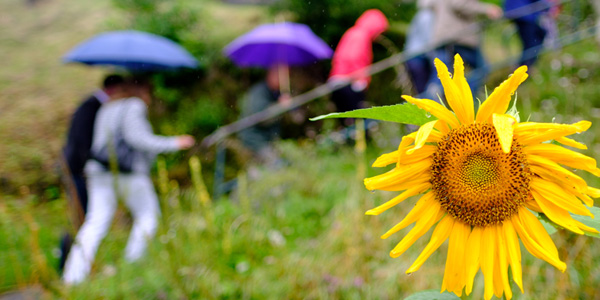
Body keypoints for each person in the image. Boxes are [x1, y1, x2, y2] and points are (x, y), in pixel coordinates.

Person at [62, 77, 195, 284]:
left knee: (95, 222)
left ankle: (73, 276)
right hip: (127, 173)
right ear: (142, 90)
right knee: (148, 216)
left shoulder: (108, 106)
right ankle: (131, 266)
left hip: (98, 171)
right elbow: (138, 139)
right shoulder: (134, 105)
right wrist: (175, 143)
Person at [59, 74, 127, 271]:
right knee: (81, 217)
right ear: (113, 89)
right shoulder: (91, 107)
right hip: (78, 170)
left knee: (85, 217)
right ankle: (68, 266)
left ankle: (78, 265)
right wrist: (90, 167)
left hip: (81, 169)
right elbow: (81, 143)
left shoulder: (94, 105)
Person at [425, 0, 503, 101]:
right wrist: (487, 9)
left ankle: (426, 110)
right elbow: (458, 3)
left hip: (442, 36)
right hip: (459, 36)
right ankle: (464, 101)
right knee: (482, 68)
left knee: (441, 76)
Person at [328, 9, 389, 124]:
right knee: (359, 120)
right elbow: (355, 57)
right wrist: (361, 80)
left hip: (337, 80)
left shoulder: (352, 32)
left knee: (346, 120)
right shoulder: (361, 36)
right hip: (348, 82)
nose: (379, 36)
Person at [238, 65, 291, 164]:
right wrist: (280, 107)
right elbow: (261, 118)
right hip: (255, 140)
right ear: (271, 75)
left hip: (269, 140)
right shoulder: (258, 93)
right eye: (281, 76)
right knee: (276, 165)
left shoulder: (276, 93)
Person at [504, 0, 550, 68]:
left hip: (520, 11)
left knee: (539, 35)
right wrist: (546, 5)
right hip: (523, 12)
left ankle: (527, 66)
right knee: (531, 43)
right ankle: (525, 67)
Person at [404, 0, 436, 94]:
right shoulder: (428, 16)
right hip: (418, 56)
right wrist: (434, 58)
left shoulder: (418, 15)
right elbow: (428, 39)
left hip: (410, 55)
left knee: (419, 87)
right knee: (423, 87)